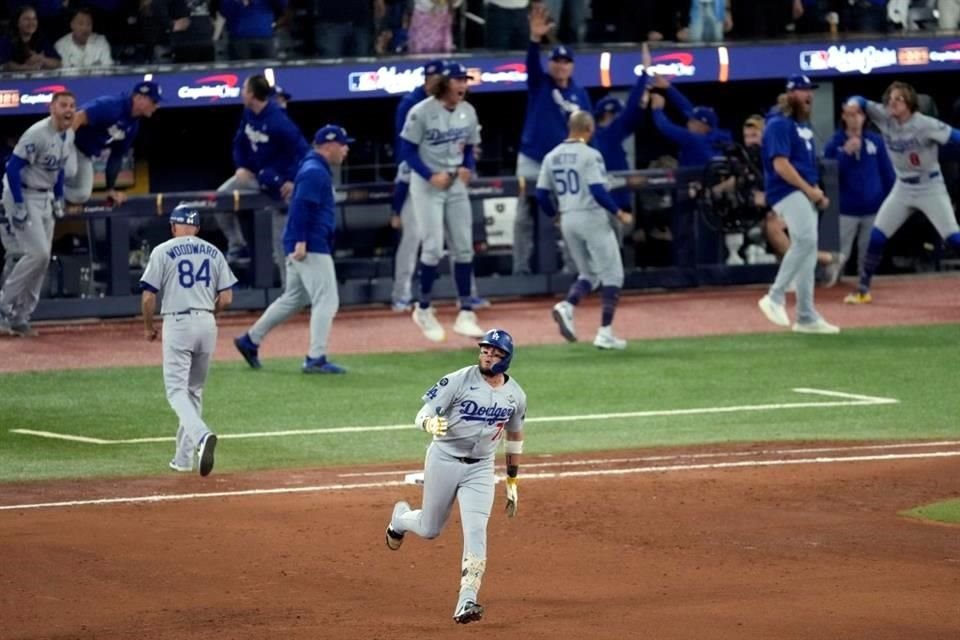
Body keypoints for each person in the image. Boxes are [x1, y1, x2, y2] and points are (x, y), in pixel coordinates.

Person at [384, 328, 527, 626]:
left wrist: (512, 479)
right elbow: (422, 413)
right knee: (430, 528)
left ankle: (467, 599)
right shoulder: (459, 379)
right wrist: (429, 424)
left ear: (506, 357)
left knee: (477, 531)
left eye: (494, 352)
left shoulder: (516, 395)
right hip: (444, 459)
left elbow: (515, 436)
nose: (487, 355)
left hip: (481, 469)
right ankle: (400, 519)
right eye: (485, 350)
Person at [233, 125, 352, 374]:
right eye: (342, 144)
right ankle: (315, 358)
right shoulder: (314, 171)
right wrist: (301, 240)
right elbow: (300, 207)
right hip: (310, 243)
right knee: (327, 300)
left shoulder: (315, 167)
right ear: (329, 145)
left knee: (294, 298)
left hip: (305, 240)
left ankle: (250, 340)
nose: (346, 149)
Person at [140, 204, 237, 475]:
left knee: (175, 391)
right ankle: (183, 459)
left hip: (178, 322)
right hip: (207, 323)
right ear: (196, 228)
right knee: (193, 391)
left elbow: (148, 297)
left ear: (173, 227)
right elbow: (227, 298)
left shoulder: (162, 251)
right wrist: (208, 313)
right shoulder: (213, 251)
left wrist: (148, 328)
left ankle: (202, 436)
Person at [844, 82, 960, 304]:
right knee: (877, 237)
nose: (892, 102)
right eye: (890, 98)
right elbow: (860, 100)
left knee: (953, 238)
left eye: (899, 99)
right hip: (903, 187)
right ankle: (863, 290)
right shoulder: (883, 115)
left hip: (930, 187)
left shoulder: (925, 124)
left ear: (909, 104)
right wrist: (852, 103)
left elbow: (956, 136)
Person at [390, 60, 487, 312]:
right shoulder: (418, 109)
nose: (463, 84)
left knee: (464, 246)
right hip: (424, 182)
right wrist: (429, 175)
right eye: (458, 79)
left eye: (465, 80)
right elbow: (407, 151)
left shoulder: (468, 111)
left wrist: (468, 166)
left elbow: (468, 147)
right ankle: (421, 303)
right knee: (430, 246)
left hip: (454, 182)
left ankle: (466, 303)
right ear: (444, 83)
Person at [536, 111, 633, 349]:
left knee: (589, 274)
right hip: (591, 216)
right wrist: (618, 212)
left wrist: (554, 214)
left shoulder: (552, 156)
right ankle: (605, 332)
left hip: (569, 217)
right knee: (613, 275)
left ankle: (567, 306)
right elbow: (598, 190)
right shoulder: (590, 154)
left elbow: (540, 194)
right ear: (589, 128)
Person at [757, 75, 839, 334]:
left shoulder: (800, 125)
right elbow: (781, 165)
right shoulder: (779, 124)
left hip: (803, 190)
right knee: (804, 241)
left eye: (810, 90)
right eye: (803, 90)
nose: (809, 95)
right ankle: (775, 296)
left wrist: (815, 191)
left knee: (808, 250)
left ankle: (806, 316)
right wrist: (808, 190)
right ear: (790, 94)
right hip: (786, 190)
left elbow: (805, 165)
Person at [513, 3, 591, 276]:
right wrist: (535, 39)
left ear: (571, 66)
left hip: (564, 162)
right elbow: (531, 64)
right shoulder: (540, 82)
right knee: (524, 216)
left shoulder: (580, 95)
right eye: (556, 61)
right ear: (551, 64)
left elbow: (586, 130)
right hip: (532, 158)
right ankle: (520, 271)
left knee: (569, 217)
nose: (560, 65)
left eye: (565, 61)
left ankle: (572, 269)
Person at [216, 74, 309, 275]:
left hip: (280, 187)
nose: (241, 93)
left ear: (252, 94)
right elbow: (239, 143)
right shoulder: (248, 113)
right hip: (255, 178)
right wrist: (242, 166)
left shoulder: (278, 121)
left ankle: (291, 295)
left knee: (281, 248)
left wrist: (292, 180)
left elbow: (303, 152)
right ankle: (237, 245)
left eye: (244, 89)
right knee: (219, 200)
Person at [0, 91, 75, 337]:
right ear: (52, 107)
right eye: (63, 105)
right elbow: (12, 168)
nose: (68, 110)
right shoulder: (37, 133)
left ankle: (21, 316)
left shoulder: (69, 134)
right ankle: (3, 307)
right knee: (37, 254)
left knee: (42, 260)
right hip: (23, 193)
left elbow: (60, 169)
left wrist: (59, 197)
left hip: (45, 197)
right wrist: (19, 204)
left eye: (72, 106)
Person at [823, 98, 894, 290]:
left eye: (858, 114)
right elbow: (829, 176)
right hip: (847, 209)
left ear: (864, 117)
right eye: (850, 115)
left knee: (868, 251)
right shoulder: (834, 143)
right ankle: (833, 286)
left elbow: (887, 173)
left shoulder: (876, 141)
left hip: (873, 207)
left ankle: (865, 285)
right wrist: (845, 154)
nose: (854, 119)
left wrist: (891, 201)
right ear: (843, 117)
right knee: (840, 254)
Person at [65, 81, 162, 205]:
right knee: (70, 169)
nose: (156, 106)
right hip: (68, 140)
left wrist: (110, 189)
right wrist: (62, 146)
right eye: (154, 101)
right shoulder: (113, 105)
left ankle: (47, 195)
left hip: (84, 153)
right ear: (139, 98)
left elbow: (116, 157)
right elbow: (77, 118)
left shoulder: (133, 126)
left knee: (81, 194)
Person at [0, 5, 61, 71]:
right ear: (17, 22)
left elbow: (57, 63)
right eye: (27, 19)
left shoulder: (41, 39)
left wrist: (41, 59)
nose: (31, 22)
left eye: (34, 19)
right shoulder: (6, 40)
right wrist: (29, 68)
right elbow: (5, 65)